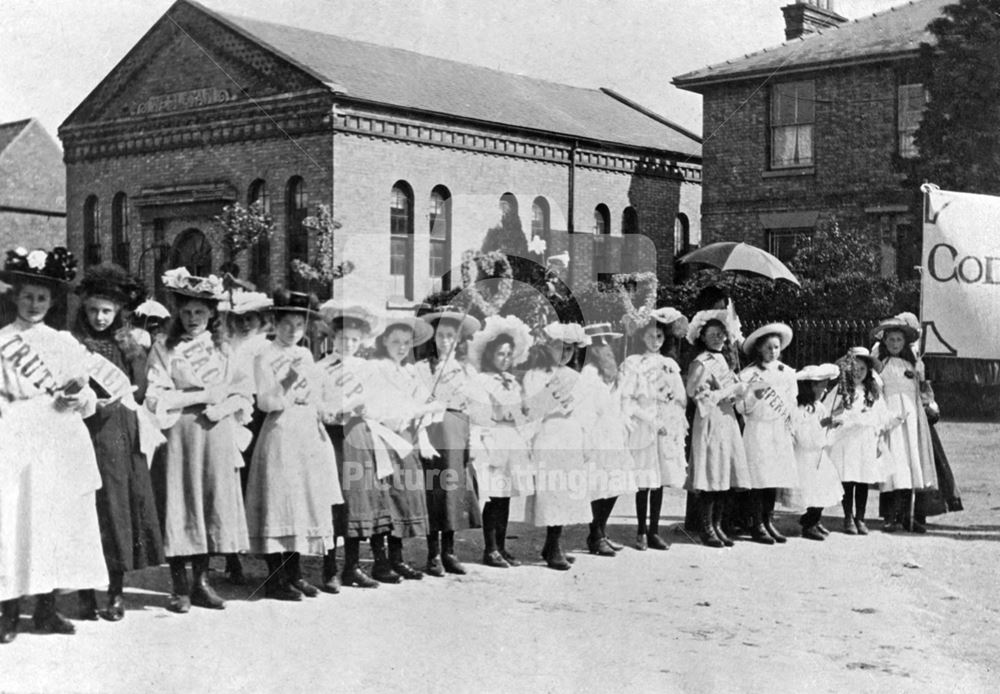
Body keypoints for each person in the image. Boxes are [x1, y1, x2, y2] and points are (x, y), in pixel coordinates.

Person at [0, 246, 107, 643]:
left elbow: (90, 396)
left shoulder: (63, 342)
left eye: (41, 297)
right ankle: (8, 611)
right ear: (15, 296)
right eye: (27, 296)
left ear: (52, 300)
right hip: (15, 435)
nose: (33, 304)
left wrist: (77, 398)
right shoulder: (2, 341)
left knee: (51, 519)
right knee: (14, 519)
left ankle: (46, 608)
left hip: (58, 437)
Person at [146, 268, 251, 612]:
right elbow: (157, 395)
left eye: (200, 313)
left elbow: (242, 392)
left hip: (215, 432)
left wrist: (222, 407)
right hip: (178, 432)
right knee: (180, 500)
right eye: (187, 312)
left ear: (211, 315)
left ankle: (202, 581)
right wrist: (201, 394)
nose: (192, 319)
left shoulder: (223, 349)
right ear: (178, 312)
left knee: (208, 502)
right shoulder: (165, 347)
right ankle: (179, 586)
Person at [72, 263, 165, 621]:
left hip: (117, 435)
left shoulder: (128, 344)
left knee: (116, 511)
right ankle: (83, 592)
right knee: (87, 511)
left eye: (106, 311)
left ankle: (114, 591)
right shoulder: (75, 344)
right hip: (82, 432)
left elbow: (140, 391)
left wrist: (132, 366)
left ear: (118, 312)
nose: (99, 317)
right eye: (93, 310)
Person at [246, 290, 343, 601]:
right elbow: (265, 401)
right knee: (280, 501)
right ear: (276, 323)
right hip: (280, 429)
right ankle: (276, 578)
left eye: (299, 325)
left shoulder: (306, 354)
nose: (292, 331)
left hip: (306, 431)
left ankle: (295, 573)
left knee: (301, 503)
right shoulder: (264, 356)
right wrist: (288, 380)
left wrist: (323, 408)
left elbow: (314, 391)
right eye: (286, 324)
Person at [363, 317, 444, 582]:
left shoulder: (408, 372)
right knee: (383, 498)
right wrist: (420, 409)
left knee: (402, 497)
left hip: (405, 438)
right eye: (395, 341)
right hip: (383, 436)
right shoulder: (376, 368)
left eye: (406, 343)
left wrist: (428, 409)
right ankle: (380, 561)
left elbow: (419, 404)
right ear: (384, 341)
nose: (401, 347)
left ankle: (397, 558)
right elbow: (384, 409)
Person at [414, 307, 483, 576]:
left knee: (454, 492)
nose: (445, 341)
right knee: (435, 492)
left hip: (458, 431)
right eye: (441, 336)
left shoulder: (466, 371)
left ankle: (449, 551)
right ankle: (433, 554)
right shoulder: (422, 368)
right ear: (433, 338)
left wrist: (473, 440)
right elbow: (417, 403)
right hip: (433, 431)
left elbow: (474, 408)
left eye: (450, 336)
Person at [467, 315, 534, 568]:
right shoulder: (482, 380)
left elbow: (521, 411)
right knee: (493, 496)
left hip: (511, 439)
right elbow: (480, 413)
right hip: (493, 438)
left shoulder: (513, 381)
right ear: (489, 354)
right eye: (500, 354)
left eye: (508, 355)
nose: (504, 359)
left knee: (506, 496)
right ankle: (490, 548)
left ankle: (503, 546)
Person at [523, 322, 591, 571]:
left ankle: (554, 543)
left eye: (570, 349)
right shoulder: (537, 374)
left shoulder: (575, 377)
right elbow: (530, 410)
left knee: (565, 492)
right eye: (560, 348)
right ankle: (552, 546)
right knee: (551, 492)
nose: (565, 354)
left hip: (570, 435)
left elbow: (584, 412)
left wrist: (586, 441)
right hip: (548, 435)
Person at [619, 308, 688, 551]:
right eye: (651, 336)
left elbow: (679, 397)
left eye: (659, 336)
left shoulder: (669, 364)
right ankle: (641, 531)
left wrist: (673, 418)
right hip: (644, 425)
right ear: (641, 337)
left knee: (660, 480)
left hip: (664, 427)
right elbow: (626, 399)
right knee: (645, 479)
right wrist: (649, 418)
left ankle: (654, 529)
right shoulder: (633, 363)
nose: (655, 341)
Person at [219, 289, 273, 584]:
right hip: (234, 412)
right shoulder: (226, 345)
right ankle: (232, 556)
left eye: (250, 318)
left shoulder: (266, 345)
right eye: (238, 319)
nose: (244, 324)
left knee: (259, 480)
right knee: (234, 481)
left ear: (262, 319)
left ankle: (265, 550)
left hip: (261, 412)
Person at [685, 309, 749, 548]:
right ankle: (706, 527)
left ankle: (718, 524)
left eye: (722, 334)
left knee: (725, 474)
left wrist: (737, 392)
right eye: (713, 334)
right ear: (702, 336)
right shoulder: (700, 363)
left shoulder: (724, 360)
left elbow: (728, 394)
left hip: (727, 420)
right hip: (710, 421)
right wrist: (729, 391)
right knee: (711, 474)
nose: (719, 338)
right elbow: (698, 396)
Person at [823, 347, 903, 535]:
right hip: (847, 440)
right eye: (854, 369)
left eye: (862, 369)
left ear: (868, 371)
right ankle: (848, 517)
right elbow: (828, 411)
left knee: (863, 480)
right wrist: (839, 417)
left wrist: (895, 418)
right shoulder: (841, 390)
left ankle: (861, 517)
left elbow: (881, 416)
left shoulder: (872, 391)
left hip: (866, 440)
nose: (857, 373)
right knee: (848, 479)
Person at [871, 317, 937, 533]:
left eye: (899, 340)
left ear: (905, 343)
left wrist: (921, 375)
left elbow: (920, 392)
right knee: (893, 465)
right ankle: (890, 516)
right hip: (891, 419)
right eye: (891, 339)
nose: (895, 343)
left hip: (911, 419)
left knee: (910, 464)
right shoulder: (880, 365)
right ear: (885, 341)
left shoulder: (913, 365)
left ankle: (907, 516)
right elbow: (877, 392)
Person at [579, 322, 640, 556]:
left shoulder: (612, 374)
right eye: (600, 345)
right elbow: (586, 410)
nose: (607, 350)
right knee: (599, 486)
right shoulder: (588, 375)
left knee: (615, 484)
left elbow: (620, 400)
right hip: (597, 435)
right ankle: (595, 535)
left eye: (608, 344)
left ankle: (601, 531)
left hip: (614, 432)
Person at [737, 323, 798, 545]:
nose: (772, 352)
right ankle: (756, 524)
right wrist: (755, 397)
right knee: (759, 478)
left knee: (773, 477)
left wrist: (791, 426)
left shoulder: (787, 373)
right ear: (759, 349)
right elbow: (741, 408)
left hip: (778, 430)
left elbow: (791, 403)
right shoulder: (749, 374)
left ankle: (768, 519)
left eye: (776, 347)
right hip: (758, 429)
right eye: (768, 347)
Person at [780, 364, 844, 541]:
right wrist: (824, 425)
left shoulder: (819, 406)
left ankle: (815, 520)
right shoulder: (800, 410)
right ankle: (808, 523)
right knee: (812, 491)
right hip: (806, 456)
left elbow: (821, 424)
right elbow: (804, 436)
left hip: (818, 454)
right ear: (811, 387)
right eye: (822, 386)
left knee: (823, 489)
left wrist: (831, 423)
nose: (825, 390)